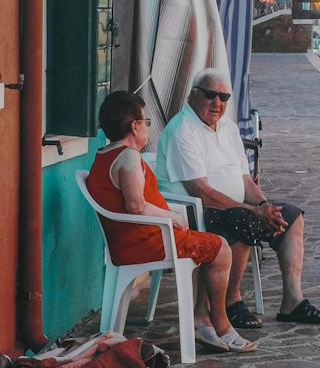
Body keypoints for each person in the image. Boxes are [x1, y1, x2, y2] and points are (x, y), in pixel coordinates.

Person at [156, 69, 320, 331]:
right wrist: (253, 211)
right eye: (210, 95)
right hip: (195, 213)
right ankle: (232, 301)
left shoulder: (227, 128)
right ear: (193, 95)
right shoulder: (182, 130)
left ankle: (292, 302)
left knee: (290, 216)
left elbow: (244, 180)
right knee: (244, 219)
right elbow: (201, 192)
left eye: (224, 96)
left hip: (234, 207)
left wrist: (264, 206)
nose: (218, 103)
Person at [87, 91, 256, 354]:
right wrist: (173, 217)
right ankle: (220, 325)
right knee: (221, 247)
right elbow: (136, 206)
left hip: (130, 241)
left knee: (208, 244)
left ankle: (204, 320)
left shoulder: (103, 155)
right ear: (134, 126)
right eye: (146, 123)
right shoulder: (129, 157)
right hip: (148, 242)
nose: (146, 128)